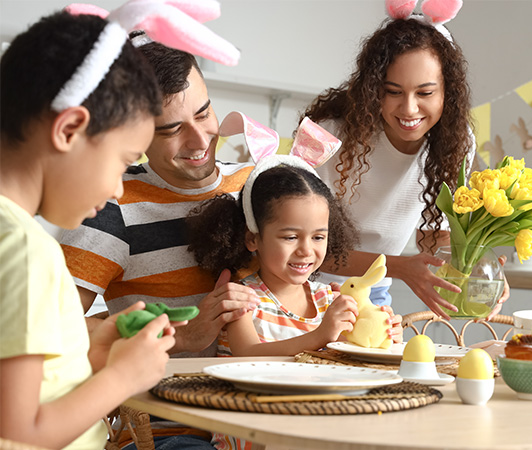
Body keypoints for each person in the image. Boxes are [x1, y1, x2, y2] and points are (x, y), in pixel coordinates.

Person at [0, 9, 179, 449]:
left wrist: (89, 356)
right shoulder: (25, 248)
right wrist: (123, 378)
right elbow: (20, 432)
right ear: (71, 128)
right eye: (123, 161)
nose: (118, 187)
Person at [58, 32, 261, 358]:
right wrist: (181, 337)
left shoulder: (259, 184)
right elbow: (48, 327)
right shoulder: (112, 203)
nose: (199, 141)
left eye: (204, 113)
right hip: (167, 404)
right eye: (172, 130)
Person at [302, 6, 510, 319]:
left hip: (375, 289)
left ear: (447, 93)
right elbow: (299, 246)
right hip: (304, 287)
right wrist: (399, 267)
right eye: (393, 92)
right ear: (374, 90)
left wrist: (480, 266)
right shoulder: (328, 134)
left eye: (425, 92)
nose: (409, 108)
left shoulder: (455, 141)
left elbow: (434, 235)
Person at [187, 155, 402, 450]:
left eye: (318, 237)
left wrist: (384, 337)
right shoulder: (243, 298)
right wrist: (319, 336)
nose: (306, 250)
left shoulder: (330, 297)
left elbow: (356, 359)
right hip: (254, 434)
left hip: (316, 430)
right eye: (290, 237)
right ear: (253, 239)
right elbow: (249, 355)